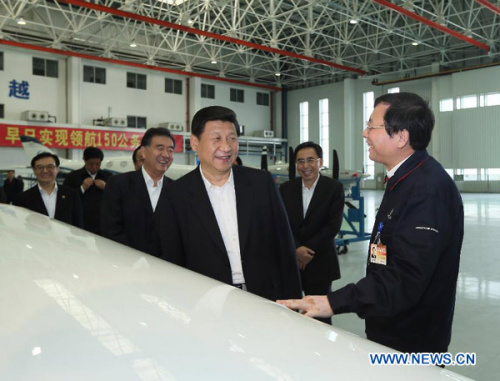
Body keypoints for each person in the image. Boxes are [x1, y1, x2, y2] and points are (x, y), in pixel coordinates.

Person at [278, 92, 464, 354]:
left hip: (411, 340)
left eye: (371, 126)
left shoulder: (427, 190)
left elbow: (406, 277)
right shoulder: (404, 180)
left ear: (401, 136)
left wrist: (334, 301)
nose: (365, 134)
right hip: (391, 324)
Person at [155, 106, 302, 301]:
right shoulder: (175, 195)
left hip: (265, 297)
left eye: (232, 138)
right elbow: (172, 260)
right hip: (206, 302)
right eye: (216, 139)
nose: (226, 147)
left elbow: (284, 245)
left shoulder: (261, 184)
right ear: (195, 143)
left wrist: (293, 301)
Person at [279, 141, 344, 324]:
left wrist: (307, 251)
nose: (305, 166)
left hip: (320, 261)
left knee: (320, 316)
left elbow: (332, 226)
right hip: (291, 262)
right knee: (289, 311)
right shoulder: (286, 189)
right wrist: (296, 248)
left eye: (310, 160)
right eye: (300, 161)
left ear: (320, 162)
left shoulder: (333, 189)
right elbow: (281, 224)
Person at [101, 128, 175, 254]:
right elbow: (110, 230)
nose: (166, 155)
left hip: (167, 269)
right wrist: (134, 262)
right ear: (144, 152)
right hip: (128, 266)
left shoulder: (176, 189)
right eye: (160, 148)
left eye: (170, 150)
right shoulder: (119, 184)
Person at [13, 152, 83, 227]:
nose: (45, 171)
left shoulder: (71, 194)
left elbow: (79, 224)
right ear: (34, 170)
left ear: (57, 169)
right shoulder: (22, 198)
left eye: (50, 166)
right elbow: (19, 226)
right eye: (40, 167)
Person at [63, 146, 112, 235]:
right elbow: (65, 199)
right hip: (80, 224)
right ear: (84, 160)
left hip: (102, 225)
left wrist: (106, 188)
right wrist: (82, 188)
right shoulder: (73, 177)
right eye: (91, 164)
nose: (94, 167)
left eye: (97, 164)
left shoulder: (108, 177)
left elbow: (117, 199)